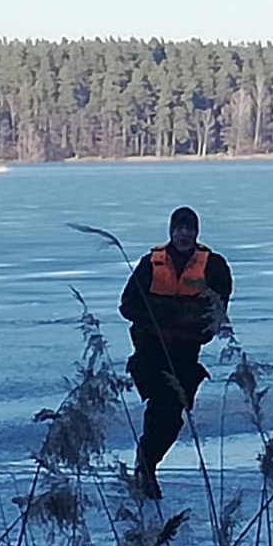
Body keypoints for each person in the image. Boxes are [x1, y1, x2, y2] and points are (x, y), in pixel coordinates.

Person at [119, 206, 233, 499]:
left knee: (172, 418)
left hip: (185, 355)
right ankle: (147, 468)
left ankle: (146, 461)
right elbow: (127, 306)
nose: (184, 233)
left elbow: (216, 314)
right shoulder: (150, 263)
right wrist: (171, 318)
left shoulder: (214, 266)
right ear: (171, 231)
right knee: (160, 405)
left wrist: (171, 317)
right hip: (149, 352)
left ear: (196, 232)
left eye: (189, 228)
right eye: (179, 228)